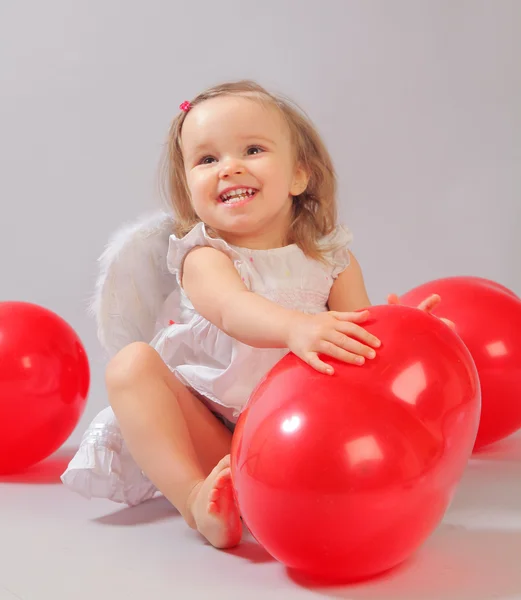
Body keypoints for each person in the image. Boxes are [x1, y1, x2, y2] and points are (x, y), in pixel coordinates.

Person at [62, 80, 446, 550]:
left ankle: (303, 491)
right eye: (207, 160)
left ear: (299, 176)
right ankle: (196, 499)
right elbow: (231, 308)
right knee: (130, 366)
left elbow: (360, 337)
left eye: (252, 149)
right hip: (220, 439)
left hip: (302, 438)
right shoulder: (204, 256)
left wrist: (411, 332)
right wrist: (296, 326)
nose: (229, 168)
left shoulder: (332, 260)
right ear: (188, 187)